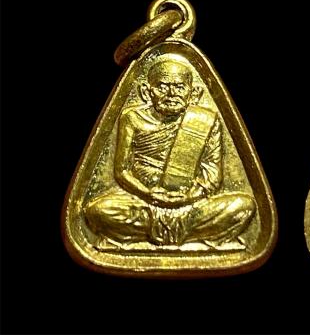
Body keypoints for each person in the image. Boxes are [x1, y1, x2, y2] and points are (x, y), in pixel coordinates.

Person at [84, 56, 256, 249]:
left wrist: (189, 197)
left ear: (194, 92)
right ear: (146, 91)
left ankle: (152, 236)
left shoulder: (204, 120)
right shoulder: (132, 118)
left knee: (243, 206)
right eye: (163, 87)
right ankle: (190, 236)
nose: (172, 94)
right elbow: (122, 171)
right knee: (97, 211)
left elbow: (212, 173)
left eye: (180, 87)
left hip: (192, 205)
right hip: (144, 203)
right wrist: (150, 194)